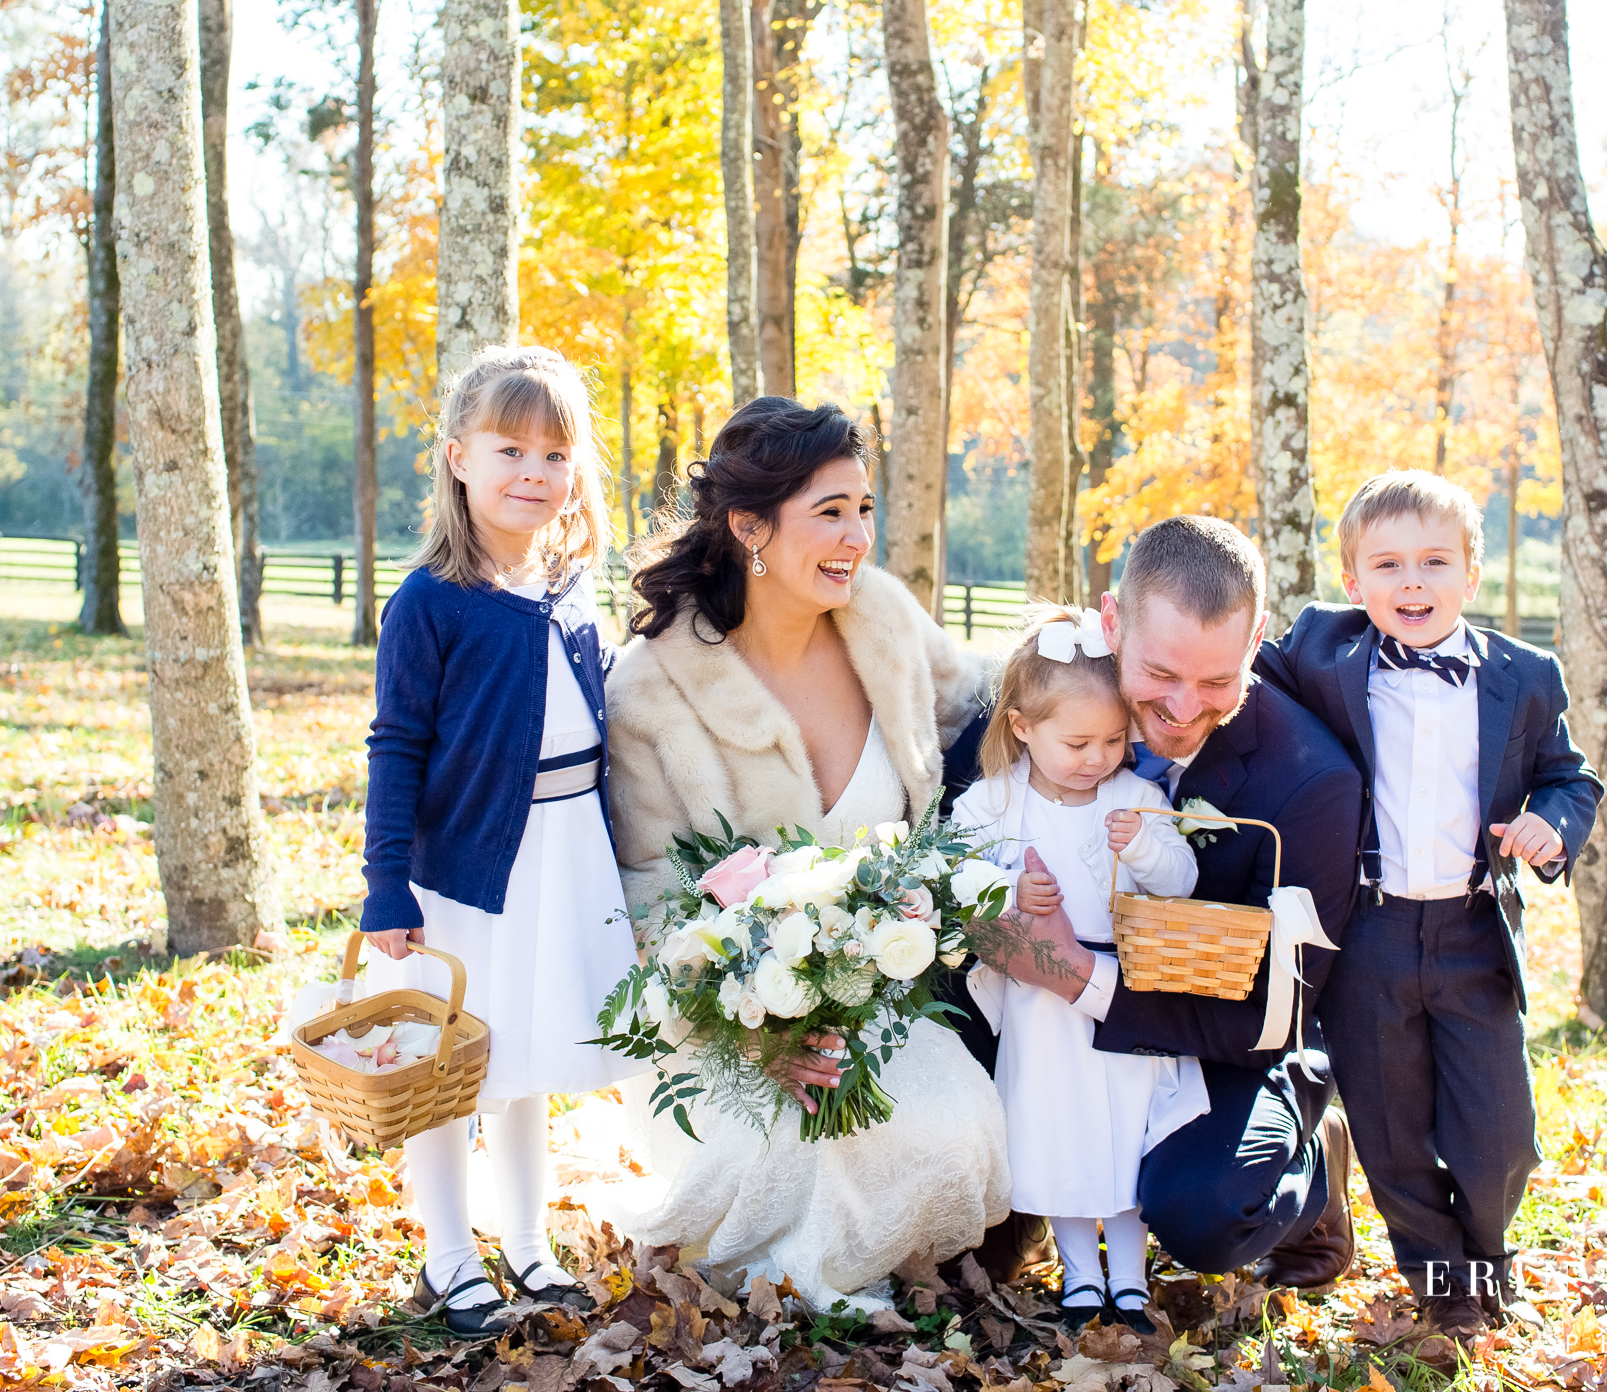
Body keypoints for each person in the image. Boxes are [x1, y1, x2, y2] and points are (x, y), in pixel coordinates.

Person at [605, 397, 1008, 1311]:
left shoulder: (885, 622)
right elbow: (651, 897)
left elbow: (995, 705)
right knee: (771, 1162)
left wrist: (1095, 654)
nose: (856, 536)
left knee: (950, 1134)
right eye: (829, 511)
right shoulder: (654, 692)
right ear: (749, 525)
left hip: (878, 1002)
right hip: (731, 1019)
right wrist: (761, 1028)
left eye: (864, 509)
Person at [975, 516, 1366, 1291]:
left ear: (1256, 638)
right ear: (1111, 623)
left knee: (1204, 1210)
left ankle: (1315, 1164)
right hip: (1051, 1026)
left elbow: (1268, 1013)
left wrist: (1074, 973)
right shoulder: (1052, 698)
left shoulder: (1311, 784)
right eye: (1159, 673)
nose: (1186, 707)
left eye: (1218, 680)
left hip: (1226, 1036)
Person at [1253, 470, 1602, 1340]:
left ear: (1471, 575)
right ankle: (1443, 1278)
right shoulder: (1320, 655)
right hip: (1365, 933)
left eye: (1436, 562)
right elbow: (1229, 665)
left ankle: (1485, 1249)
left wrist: (1550, 826)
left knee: (1500, 1138)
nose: (1414, 582)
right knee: (1392, 1129)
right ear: (1354, 581)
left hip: (1471, 931)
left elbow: (1570, 776)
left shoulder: (1525, 676)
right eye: (1390, 565)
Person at [356, 346, 641, 1337]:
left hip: (567, 851)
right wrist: (385, 883)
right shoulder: (431, 599)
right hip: (474, 863)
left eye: (554, 452)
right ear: (457, 458)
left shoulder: (569, 587)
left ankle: (525, 1239)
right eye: (509, 447)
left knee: (528, 1058)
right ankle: (447, 1252)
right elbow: (395, 744)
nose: (533, 470)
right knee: (452, 1066)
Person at [951, 603, 1205, 1334]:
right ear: (1023, 727)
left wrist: (1147, 849)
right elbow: (950, 874)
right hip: (1040, 998)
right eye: (1078, 741)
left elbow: (1182, 878)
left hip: (1124, 994)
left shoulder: (1136, 797)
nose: (1098, 756)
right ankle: (1080, 1272)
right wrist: (1005, 890)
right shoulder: (995, 800)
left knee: (1124, 1134)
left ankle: (1128, 1275)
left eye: (1115, 739)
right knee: (1060, 1132)